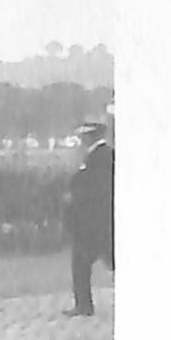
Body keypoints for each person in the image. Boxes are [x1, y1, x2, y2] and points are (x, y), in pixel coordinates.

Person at [63, 122, 115, 317]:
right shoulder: (101, 155)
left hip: (94, 220)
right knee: (99, 260)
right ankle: (83, 305)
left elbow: (97, 187)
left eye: (84, 136)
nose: (82, 140)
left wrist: (76, 195)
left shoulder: (100, 157)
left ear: (91, 136)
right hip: (97, 220)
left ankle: (84, 305)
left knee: (82, 262)